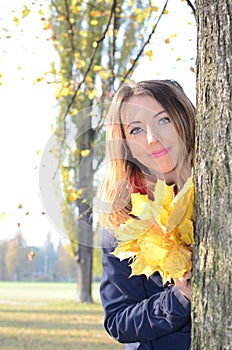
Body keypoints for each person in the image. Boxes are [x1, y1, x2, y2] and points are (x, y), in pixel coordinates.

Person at [97, 80, 195, 350]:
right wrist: (178, 300)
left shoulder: (215, 196)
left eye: (163, 120)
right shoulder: (122, 218)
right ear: (126, 143)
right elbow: (118, 321)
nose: (152, 138)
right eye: (137, 129)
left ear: (184, 118)